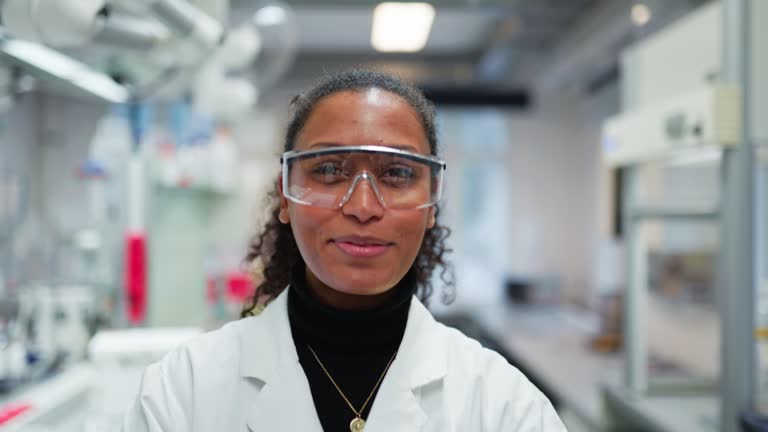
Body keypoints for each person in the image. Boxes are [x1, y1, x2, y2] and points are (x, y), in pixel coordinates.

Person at [122, 69, 567, 432]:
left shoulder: (506, 407)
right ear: (285, 195)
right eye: (330, 169)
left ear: (432, 202)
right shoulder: (181, 394)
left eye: (396, 173)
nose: (362, 207)